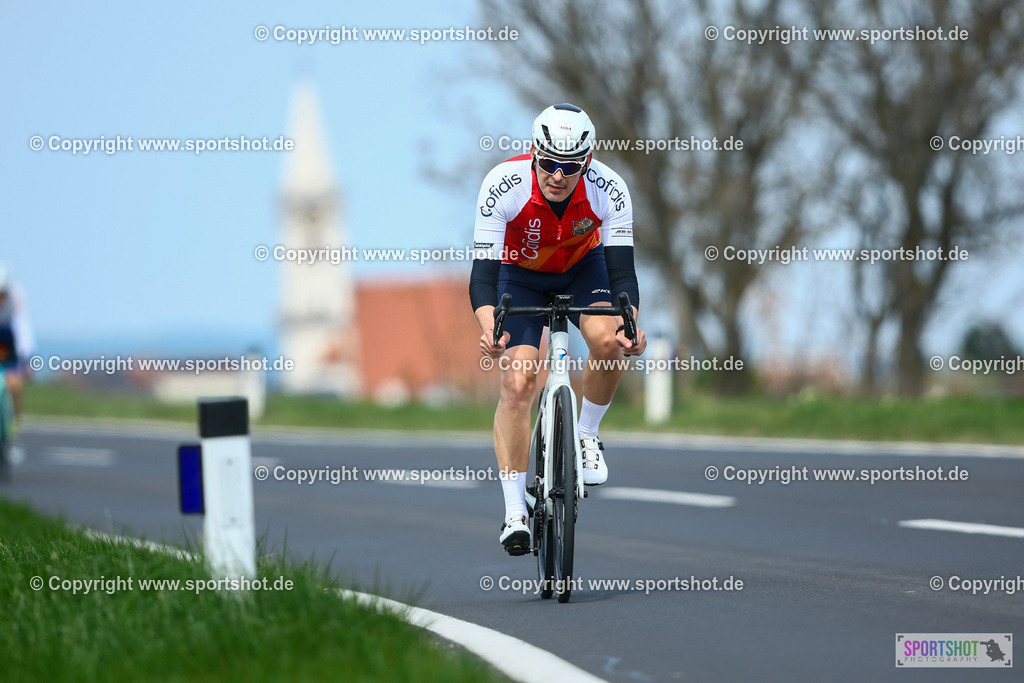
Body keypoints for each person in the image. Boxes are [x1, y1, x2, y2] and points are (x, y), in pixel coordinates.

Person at [469, 104, 647, 555]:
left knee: (609, 342)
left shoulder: (610, 189)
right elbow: (483, 278)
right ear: (534, 153)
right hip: (519, 273)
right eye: (547, 163)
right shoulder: (502, 185)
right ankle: (514, 511)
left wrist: (631, 325)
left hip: (583, 269)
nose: (556, 175)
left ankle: (587, 434)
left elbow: (623, 274)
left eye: (569, 167)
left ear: (586, 162)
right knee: (518, 381)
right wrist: (489, 327)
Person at [0, 265, 36, 437]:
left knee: (14, 383)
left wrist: (26, 360)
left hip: (8, 340)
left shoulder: (17, 296)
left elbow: (22, 328)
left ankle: (13, 427)